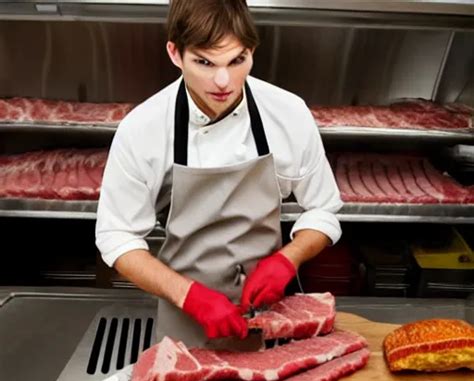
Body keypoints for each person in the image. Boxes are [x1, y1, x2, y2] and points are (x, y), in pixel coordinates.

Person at [95, 0, 342, 347]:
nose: (223, 81)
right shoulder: (143, 128)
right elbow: (117, 238)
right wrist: (191, 297)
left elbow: (323, 210)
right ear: (175, 54)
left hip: (270, 321)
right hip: (185, 327)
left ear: (252, 50)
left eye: (237, 60)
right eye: (204, 63)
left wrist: (289, 258)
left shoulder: (288, 113)